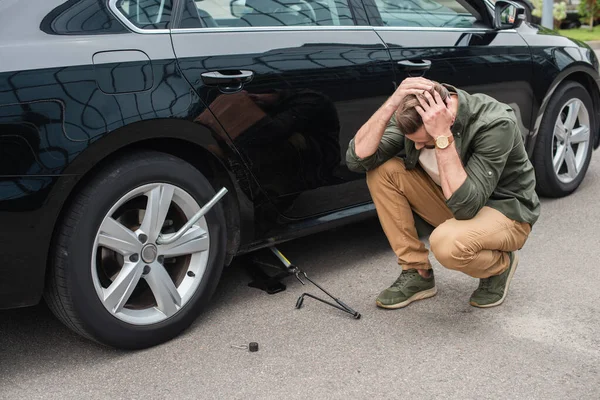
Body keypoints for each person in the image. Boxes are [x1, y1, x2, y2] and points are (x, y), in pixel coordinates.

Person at [346, 77, 541, 309]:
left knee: (447, 244)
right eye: (414, 142)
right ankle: (417, 272)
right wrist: (391, 104)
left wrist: (441, 137)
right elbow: (357, 160)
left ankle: (500, 265)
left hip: (506, 211)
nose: (417, 148)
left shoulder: (495, 123)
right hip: (455, 201)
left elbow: (466, 206)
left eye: (424, 143)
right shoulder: (418, 117)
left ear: (444, 116)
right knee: (382, 171)